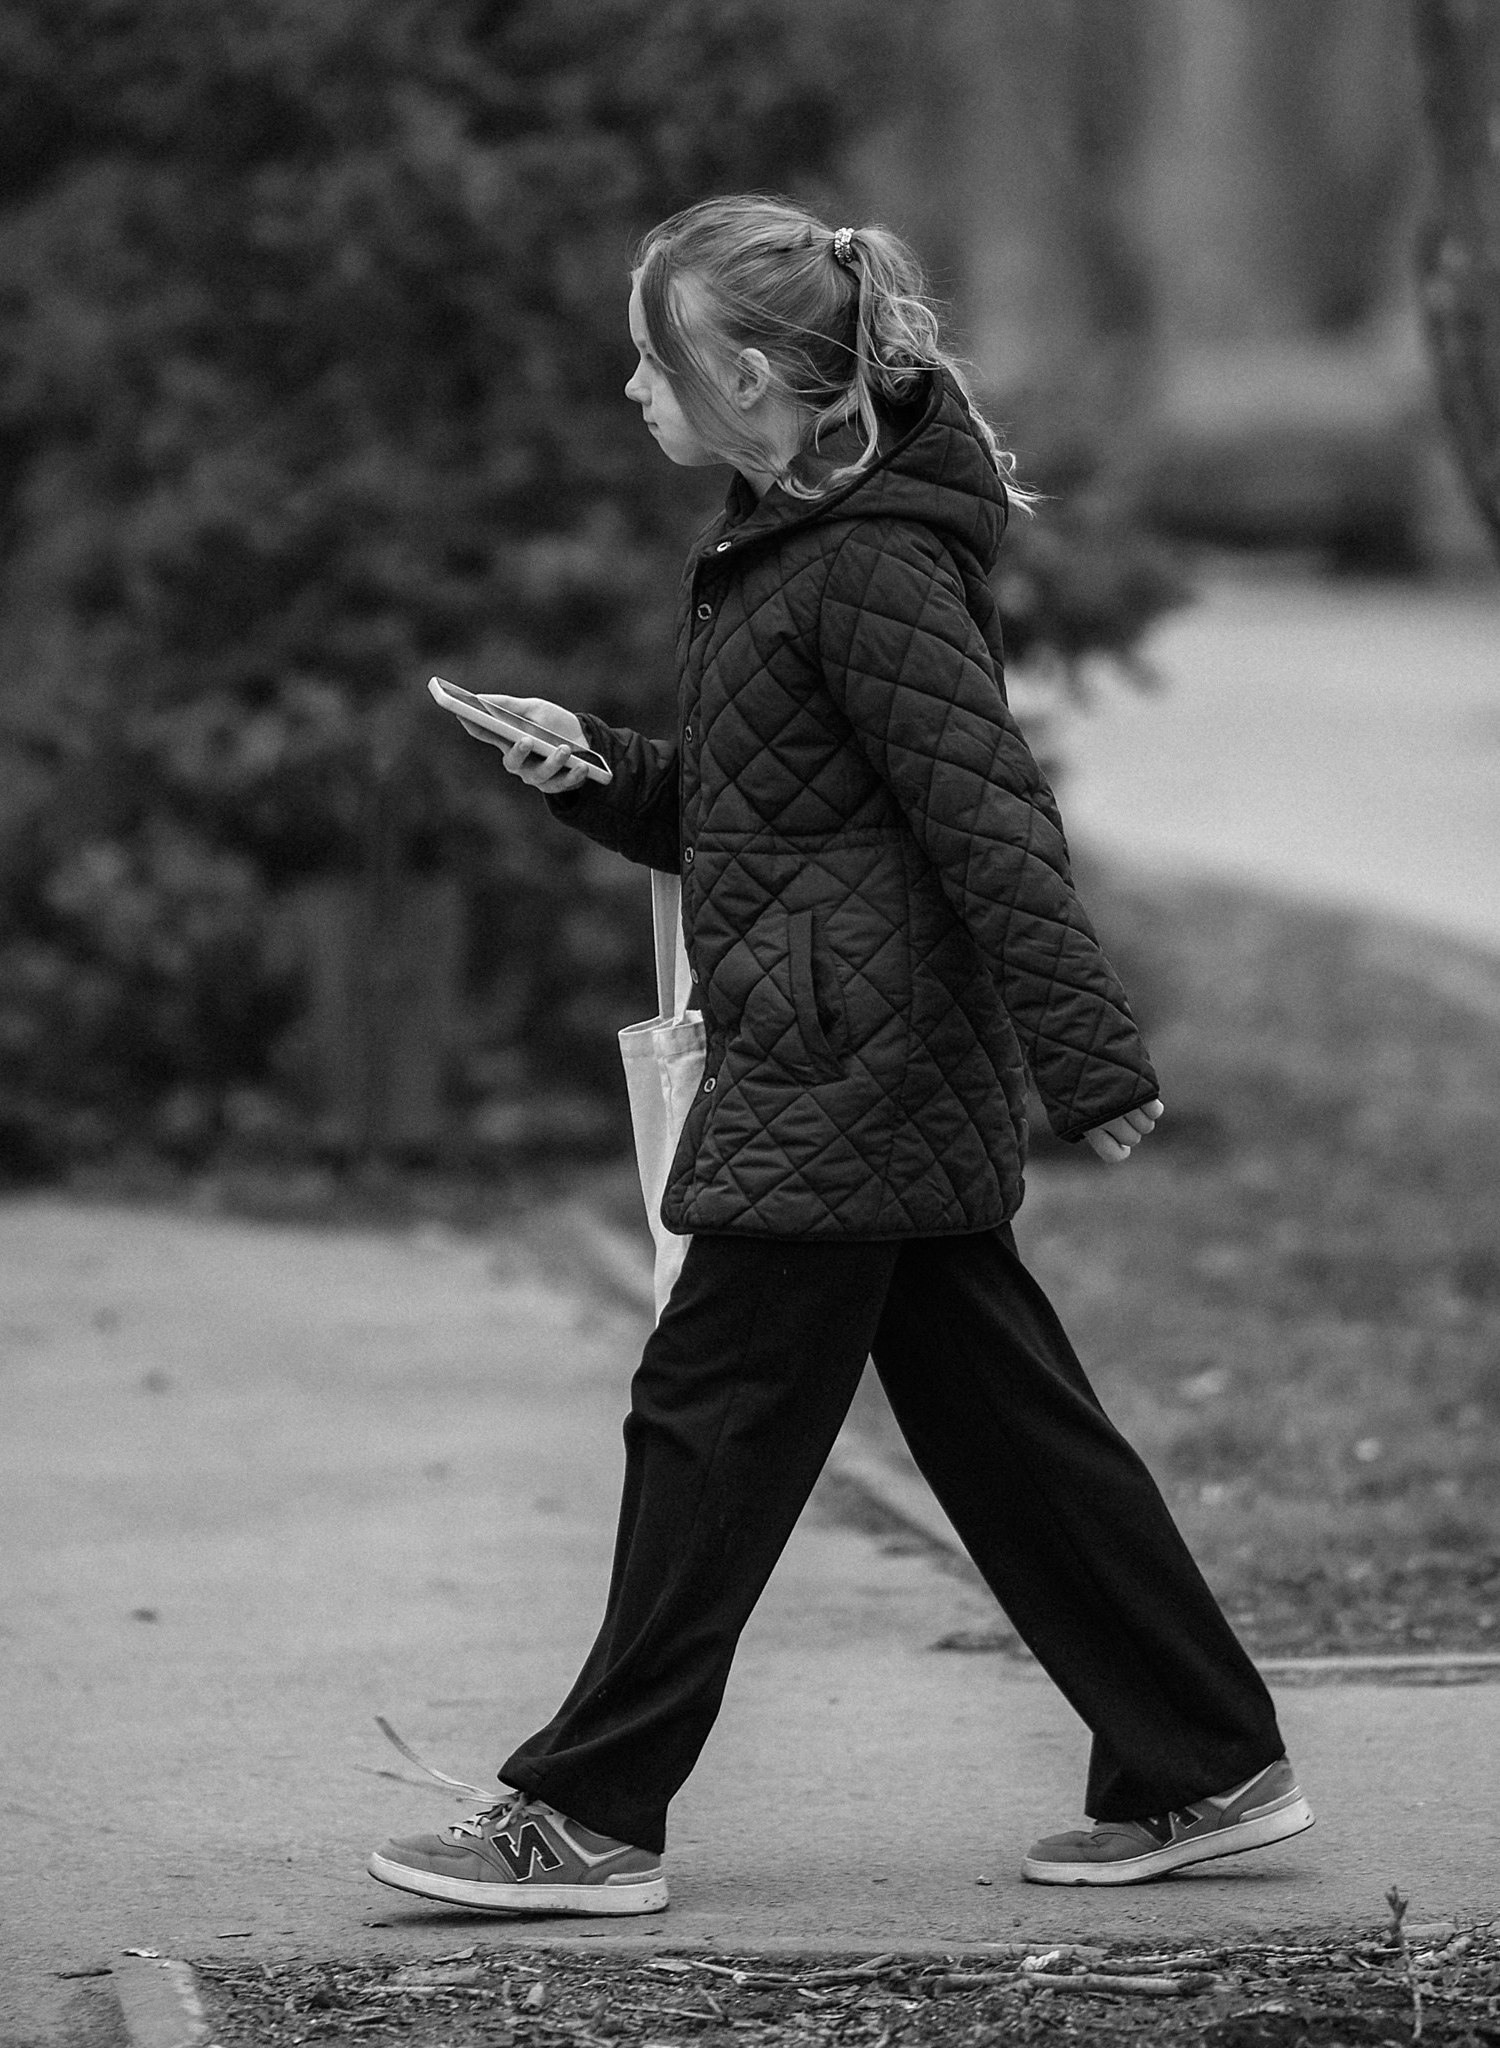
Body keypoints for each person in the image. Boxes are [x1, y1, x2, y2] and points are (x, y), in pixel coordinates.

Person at [368, 194, 1312, 1914]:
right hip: (852, 1050)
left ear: (744, 375)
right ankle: (1202, 1762)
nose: (629, 388)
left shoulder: (863, 562)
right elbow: (775, 821)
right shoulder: (794, 546)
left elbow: (987, 815)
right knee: (1007, 1431)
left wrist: (1091, 1059)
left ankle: (588, 1813)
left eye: (649, 360)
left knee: (707, 1421)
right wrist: (603, 773)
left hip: (841, 1071)